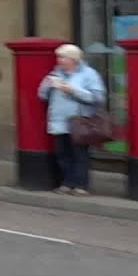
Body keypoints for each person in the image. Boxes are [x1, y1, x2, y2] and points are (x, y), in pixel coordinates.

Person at [38, 43, 106, 196]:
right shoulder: (55, 73)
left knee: (79, 155)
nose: (59, 60)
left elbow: (97, 97)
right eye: (59, 57)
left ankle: (81, 185)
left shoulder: (89, 74)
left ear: (73, 59)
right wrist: (47, 86)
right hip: (58, 121)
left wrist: (72, 90)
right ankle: (67, 183)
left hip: (79, 122)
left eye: (62, 57)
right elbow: (42, 95)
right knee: (62, 154)